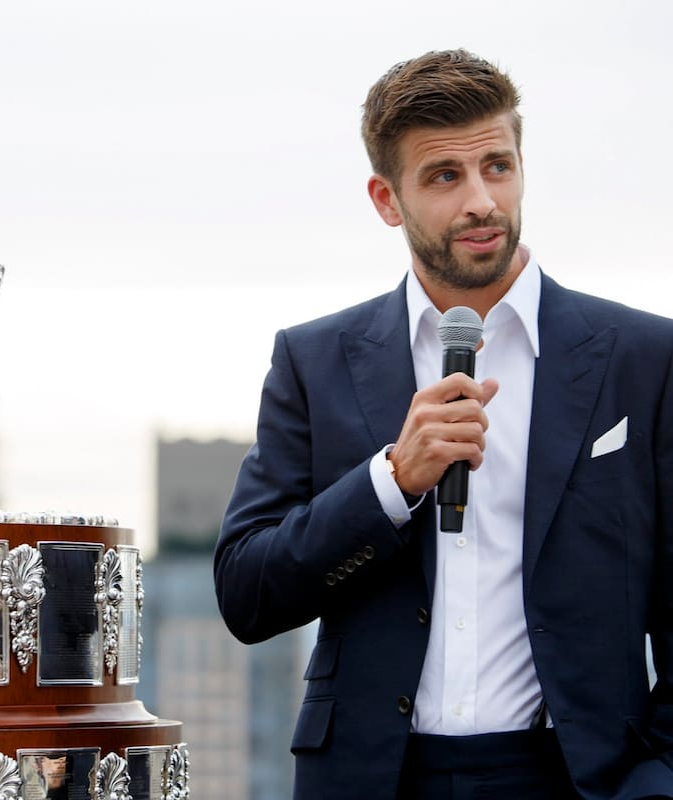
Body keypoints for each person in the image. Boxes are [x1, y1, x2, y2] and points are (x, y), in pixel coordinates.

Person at [214, 49, 673, 800]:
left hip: (581, 779)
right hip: (373, 779)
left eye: (498, 166)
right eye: (444, 176)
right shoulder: (314, 361)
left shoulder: (645, 358)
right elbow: (246, 593)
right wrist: (390, 483)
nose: (482, 201)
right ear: (387, 199)